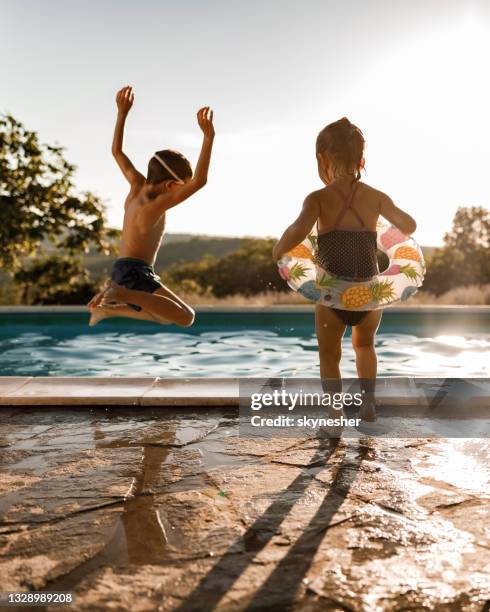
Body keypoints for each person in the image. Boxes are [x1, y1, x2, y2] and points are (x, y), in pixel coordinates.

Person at [273, 118, 417, 421]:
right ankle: (368, 404)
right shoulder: (376, 196)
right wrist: (386, 228)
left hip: (331, 295)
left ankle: (335, 413)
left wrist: (278, 251)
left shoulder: (317, 199)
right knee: (365, 346)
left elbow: (296, 233)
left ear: (323, 160)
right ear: (361, 161)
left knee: (329, 354)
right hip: (369, 292)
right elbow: (410, 225)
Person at [88, 85, 214, 327]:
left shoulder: (136, 185)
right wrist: (208, 138)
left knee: (165, 316)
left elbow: (117, 151)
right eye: (181, 186)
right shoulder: (156, 204)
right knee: (186, 317)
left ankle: (110, 308)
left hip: (126, 268)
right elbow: (200, 181)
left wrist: (122, 113)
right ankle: (118, 293)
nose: (183, 190)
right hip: (135, 271)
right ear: (169, 185)